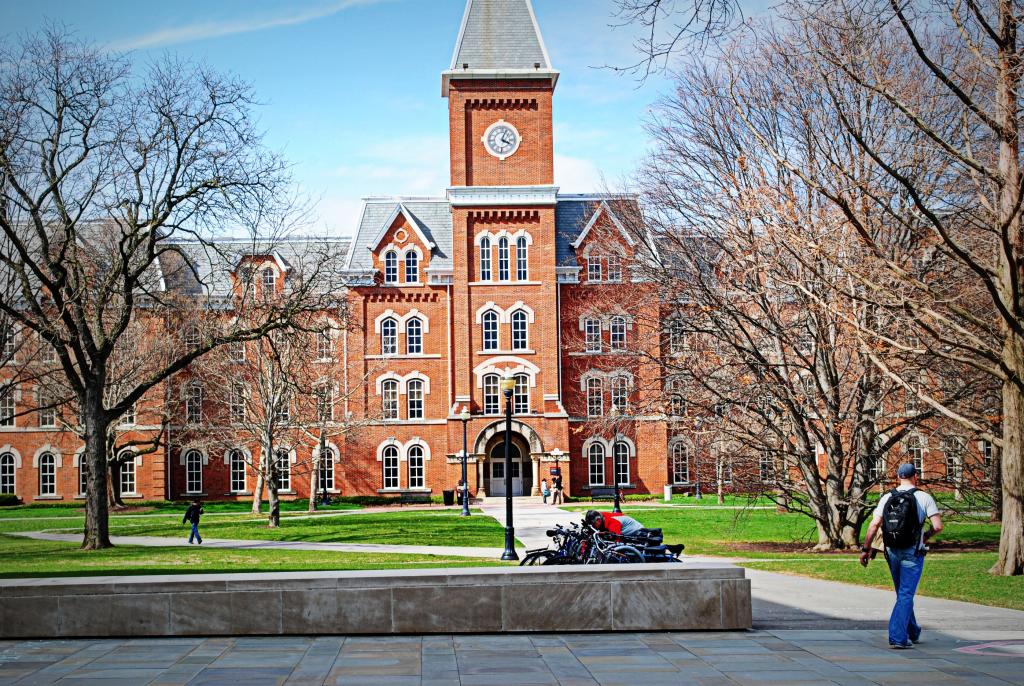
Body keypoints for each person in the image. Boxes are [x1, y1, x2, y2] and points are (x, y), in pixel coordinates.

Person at [859, 463, 943, 649]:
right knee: (905, 594)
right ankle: (898, 637)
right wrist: (926, 536)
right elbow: (938, 526)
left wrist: (866, 549)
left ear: (898, 477)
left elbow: (874, 525)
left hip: (892, 550)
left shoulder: (887, 497)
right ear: (915, 476)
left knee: (902, 593)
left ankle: (912, 631)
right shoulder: (923, 497)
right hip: (913, 551)